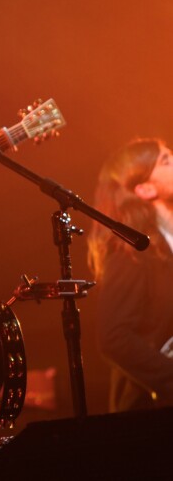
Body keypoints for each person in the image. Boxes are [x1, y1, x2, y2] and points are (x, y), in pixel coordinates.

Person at [87, 137, 173, 413]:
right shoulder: (134, 255)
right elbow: (113, 336)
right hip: (153, 419)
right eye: (166, 161)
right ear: (146, 189)